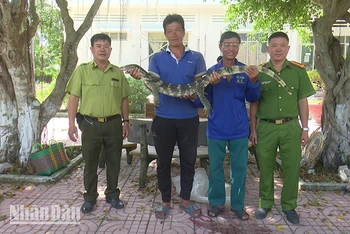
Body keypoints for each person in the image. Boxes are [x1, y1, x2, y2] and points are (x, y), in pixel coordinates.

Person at [127, 14, 206, 219]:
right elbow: (154, 85)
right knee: (163, 162)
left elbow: (200, 89)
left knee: (189, 161)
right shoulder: (157, 58)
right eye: (169, 31)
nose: (174, 34)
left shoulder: (196, 57)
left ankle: (186, 201)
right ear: (165, 34)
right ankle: (165, 201)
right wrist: (141, 78)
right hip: (163, 119)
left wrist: (194, 97)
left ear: (183, 31)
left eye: (177, 30)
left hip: (189, 119)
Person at [250, 31, 315, 224]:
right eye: (274, 45)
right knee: (265, 167)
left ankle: (289, 206)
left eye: (282, 45)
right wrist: (253, 129)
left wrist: (305, 129)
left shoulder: (298, 71)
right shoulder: (259, 72)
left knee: (292, 168)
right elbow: (254, 103)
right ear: (268, 48)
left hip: (290, 127)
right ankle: (265, 203)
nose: (278, 49)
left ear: (287, 48)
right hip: (266, 128)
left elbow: (302, 100)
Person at [194, 31, 261, 220]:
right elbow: (200, 103)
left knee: (239, 169)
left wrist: (255, 81)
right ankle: (216, 203)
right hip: (216, 129)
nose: (231, 48)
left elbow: (253, 97)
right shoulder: (211, 72)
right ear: (220, 46)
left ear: (239, 47)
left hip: (239, 129)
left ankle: (238, 206)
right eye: (227, 44)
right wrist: (207, 86)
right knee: (215, 168)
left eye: (234, 44)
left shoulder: (246, 71)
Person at [66, 33, 132, 214]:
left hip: (113, 124)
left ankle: (112, 195)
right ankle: (90, 197)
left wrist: (126, 121)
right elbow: (73, 98)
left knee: (114, 162)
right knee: (90, 163)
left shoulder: (118, 73)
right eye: (98, 45)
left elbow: (124, 99)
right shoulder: (82, 71)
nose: (102, 49)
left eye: (106, 46)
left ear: (110, 50)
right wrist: (71, 124)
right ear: (92, 49)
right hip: (90, 124)